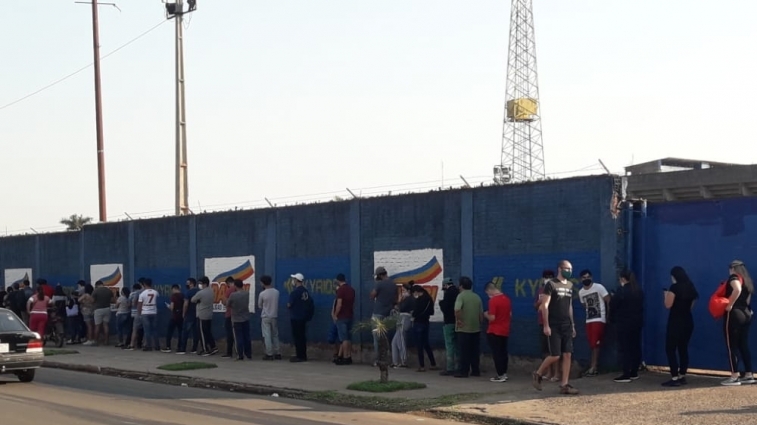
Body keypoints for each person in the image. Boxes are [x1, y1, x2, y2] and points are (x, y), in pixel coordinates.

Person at [532, 260, 579, 395]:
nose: (569, 271)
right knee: (555, 355)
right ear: (560, 269)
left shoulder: (570, 285)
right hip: (554, 324)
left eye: (571, 269)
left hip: (566, 324)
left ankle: (564, 384)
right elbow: (545, 305)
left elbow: (569, 306)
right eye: (567, 269)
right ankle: (538, 373)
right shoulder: (551, 284)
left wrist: (572, 325)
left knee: (568, 354)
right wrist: (546, 325)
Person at [720, 260, 754, 386]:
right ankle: (749, 374)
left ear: (733, 269)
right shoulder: (747, 281)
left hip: (734, 314)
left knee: (731, 345)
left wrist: (729, 304)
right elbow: (747, 300)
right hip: (746, 313)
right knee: (743, 344)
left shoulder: (734, 277)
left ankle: (734, 376)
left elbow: (737, 289)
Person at [610, 269, 645, 383]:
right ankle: (634, 372)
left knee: (625, 348)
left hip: (623, 323)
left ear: (622, 279)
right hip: (637, 323)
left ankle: (626, 374)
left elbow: (613, 305)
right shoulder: (638, 291)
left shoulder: (621, 291)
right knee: (635, 347)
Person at [577, 269, 610, 377]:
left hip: (599, 319)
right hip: (589, 320)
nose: (586, 279)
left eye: (588, 277)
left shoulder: (599, 287)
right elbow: (584, 305)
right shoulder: (581, 292)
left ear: (591, 278)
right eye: (584, 277)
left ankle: (594, 367)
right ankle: (592, 366)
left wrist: (608, 315)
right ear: (581, 279)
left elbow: (608, 300)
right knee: (592, 344)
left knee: (596, 344)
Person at [454, 276, 483, 378]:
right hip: (476, 328)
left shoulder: (461, 296)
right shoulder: (477, 297)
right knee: (475, 351)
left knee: (464, 351)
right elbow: (481, 314)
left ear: (461, 286)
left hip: (464, 329)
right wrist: (479, 323)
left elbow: (457, 309)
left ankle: (464, 371)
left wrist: (459, 320)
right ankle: (475, 370)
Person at [484, 281, 512, 383]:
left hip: (494, 330)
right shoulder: (507, 299)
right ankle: (504, 373)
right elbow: (510, 314)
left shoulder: (493, 301)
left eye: (487, 293)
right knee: (503, 352)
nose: (488, 295)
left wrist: (485, 314)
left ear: (490, 290)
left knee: (497, 353)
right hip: (505, 329)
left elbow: (492, 318)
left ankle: (500, 375)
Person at [534, 270, 559, 382]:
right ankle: (549, 373)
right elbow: (535, 307)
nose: (548, 279)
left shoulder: (556, 290)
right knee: (546, 350)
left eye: (550, 277)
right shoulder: (540, 291)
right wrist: (540, 301)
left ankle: (557, 374)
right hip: (542, 322)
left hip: (553, 322)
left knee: (555, 350)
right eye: (546, 277)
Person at [370, 266, 397, 366]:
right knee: (385, 338)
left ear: (380, 275)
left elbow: (372, 295)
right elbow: (395, 299)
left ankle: (378, 360)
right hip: (388, 313)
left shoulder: (379, 284)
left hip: (378, 313)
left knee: (377, 338)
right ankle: (387, 359)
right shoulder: (393, 284)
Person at [411, 285, 438, 372]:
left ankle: (422, 366)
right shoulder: (429, 299)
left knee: (419, 345)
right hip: (426, 322)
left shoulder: (419, 300)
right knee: (426, 344)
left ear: (416, 292)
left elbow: (415, 312)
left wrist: (413, 314)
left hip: (418, 323)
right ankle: (433, 364)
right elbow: (432, 312)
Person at [439, 277, 460, 376]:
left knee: (450, 345)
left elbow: (445, 308)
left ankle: (450, 367)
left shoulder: (448, 294)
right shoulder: (458, 292)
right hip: (458, 322)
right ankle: (458, 366)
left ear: (445, 285)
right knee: (457, 345)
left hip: (449, 322)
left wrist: (441, 303)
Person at [333, 273, 355, 366]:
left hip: (342, 316)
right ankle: (349, 356)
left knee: (344, 338)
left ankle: (345, 357)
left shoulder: (340, 290)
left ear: (338, 280)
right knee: (348, 338)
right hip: (350, 315)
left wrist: (335, 315)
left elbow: (339, 304)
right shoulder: (351, 290)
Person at [192, 276, 217, 356]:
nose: (200, 285)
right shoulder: (211, 291)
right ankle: (213, 347)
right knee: (208, 332)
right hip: (209, 315)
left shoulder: (201, 293)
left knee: (202, 333)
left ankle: (205, 349)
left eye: (201, 283)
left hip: (201, 315)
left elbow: (193, 299)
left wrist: (199, 301)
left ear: (205, 284)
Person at [287, 273, 310, 362]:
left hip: (296, 317)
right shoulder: (305, 291)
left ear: (296, 281)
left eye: (294, 279)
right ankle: (303, 355)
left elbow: (289, 304)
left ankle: (299, 356)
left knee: (297, 337)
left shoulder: (295, 292)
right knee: (302, 337)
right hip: (303, 317)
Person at [227, 279, 252, 361]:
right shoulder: (246, 293)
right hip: (246, 317)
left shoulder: (233, 295)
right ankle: (248, 354)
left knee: (238, 338)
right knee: (247, 337)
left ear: (235, 286)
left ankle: (240, 354)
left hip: (236, 318)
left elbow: (228, 304)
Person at [391, 283, 414, 369]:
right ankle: (395, 362)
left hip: (405, 319)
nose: (402, 292)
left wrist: (399, 301)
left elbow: (402, 308)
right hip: (400, 319)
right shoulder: (405, 299)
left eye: (404, 290)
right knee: (394, 342)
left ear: (408, 291)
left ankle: (404, 361)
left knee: (401, 341)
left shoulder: (410, 299)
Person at [258, 275, 281, 360]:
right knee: (275, 334)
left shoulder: (262, 294)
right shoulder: (276, 292)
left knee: (267, 335)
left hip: (265, 316)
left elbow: (260, 305)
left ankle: (269, 353)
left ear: (263, 283)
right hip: (274, 315)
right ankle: (278, 352)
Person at [178, 278, 200, 354]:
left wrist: (183, 313)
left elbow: (186, 304)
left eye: (188, 283)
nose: (186, 284)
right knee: (195, 332)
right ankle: (194, 348)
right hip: (197, 314)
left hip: (189, 314)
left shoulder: (188, 292)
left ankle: (183, 349)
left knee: (185, 332)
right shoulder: (199, 291)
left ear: (192, 284)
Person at [138, 278, 160, 351]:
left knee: (147, 330)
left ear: (144, 284)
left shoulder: (142, 294)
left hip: (145, 312)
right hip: (154, 312)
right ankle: (157, 346)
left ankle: (149, 346)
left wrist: (139, 313)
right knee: (155, 330)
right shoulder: (155, 292)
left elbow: (139, 305)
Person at [162, 284, 185, 352]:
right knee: (180, 332)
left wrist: (168, 306)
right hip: (181, 316)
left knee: (169, 331)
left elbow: (172, 307)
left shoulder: (173, 296)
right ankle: (179, 347)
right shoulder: (183, 295)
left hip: (174, 316)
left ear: (174, 289)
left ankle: (168, 347)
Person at [92, 280, 114, 345]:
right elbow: (112, 300)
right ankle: (106, 341)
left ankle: (96, 341)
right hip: (107, 308)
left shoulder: (95, 291)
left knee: (97, 326)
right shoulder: (108, 290)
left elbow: (92, 301)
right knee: (106, 325)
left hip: (98, 309)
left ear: (97, 285)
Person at [222, 276, 237, 359]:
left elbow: (224, 302)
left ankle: (229, 352)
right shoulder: (240, 290)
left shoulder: (229, 290)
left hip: (229, 314)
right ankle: (240, 352)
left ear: (228, 283)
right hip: (238, 315)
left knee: (229, 334)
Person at [126, 281, 144, 350]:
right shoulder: (143, 292)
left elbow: (130, 304)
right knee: (141, 330)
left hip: (134, 313)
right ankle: (139, 343)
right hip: (142, 313)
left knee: (132, 329)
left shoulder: (133, 294)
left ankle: (129, 343)